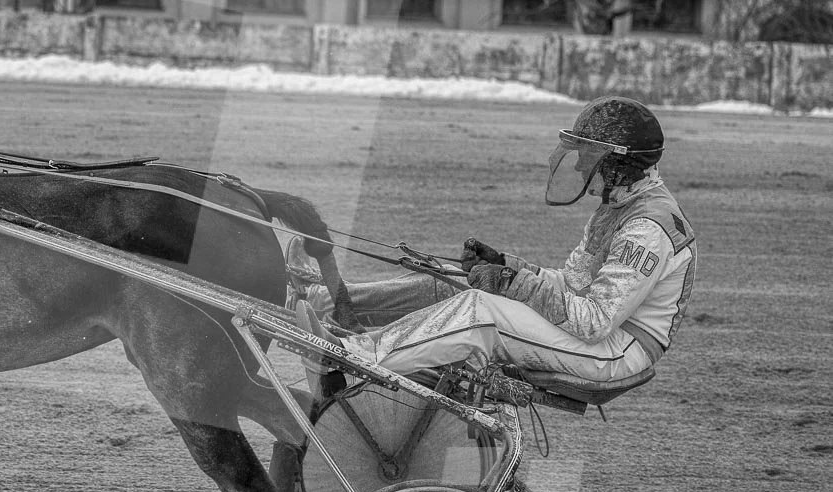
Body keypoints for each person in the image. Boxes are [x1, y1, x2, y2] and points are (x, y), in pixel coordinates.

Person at [299, 96, 697, 398]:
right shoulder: (619, 205)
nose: (578, 166)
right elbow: (572, 283)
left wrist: (510, 282)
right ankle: (332, 301)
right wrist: (507, 265)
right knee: (456, 283)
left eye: (588, 156)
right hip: (600, 334)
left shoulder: (646, 228)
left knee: (482, 311)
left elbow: (593, 321)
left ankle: (353, 354)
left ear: (617, 165)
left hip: (616, 352)